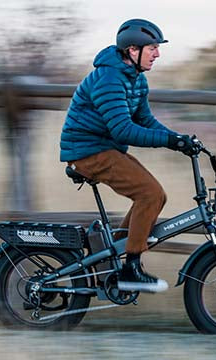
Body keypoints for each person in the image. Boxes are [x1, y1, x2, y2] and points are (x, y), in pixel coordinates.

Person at [60, 19, 195, 293]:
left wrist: (179, 140)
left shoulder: (136, 79)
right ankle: (130, 269)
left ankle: (115, 258)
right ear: (133, 50)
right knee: (150, 194)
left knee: (155, 196)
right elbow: (123, 130)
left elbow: (145, 120)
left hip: (104, 149)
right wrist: (169, 141)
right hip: (87, 151)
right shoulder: (109, 79)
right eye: (153, 48)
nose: (157, 54)